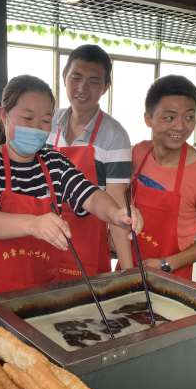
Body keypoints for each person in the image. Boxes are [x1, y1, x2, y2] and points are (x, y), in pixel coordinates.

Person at [0, 75, 143, 314]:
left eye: (45, 121)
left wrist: (116, 213)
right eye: (27, 118)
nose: (36, 128)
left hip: (40, 294)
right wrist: (33, 224)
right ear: (4, 115)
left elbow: (90, 195)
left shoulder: (54, 162)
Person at [46, 45, 133, 280]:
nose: (82, 88)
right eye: (76, 77)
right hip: (43, 240)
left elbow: (116, 207)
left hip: (87, 246)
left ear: (106, 87)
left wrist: (128, 274)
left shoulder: (115, 136)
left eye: (94, 81)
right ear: (64, 76)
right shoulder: (48, 123)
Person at [129, 75, 196, 280]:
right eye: (169, 117)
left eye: (189, 117)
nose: (181, 127)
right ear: (148, 118)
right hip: (128, 267)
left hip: (171, 277)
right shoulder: (137, 154)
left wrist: (167, 264)